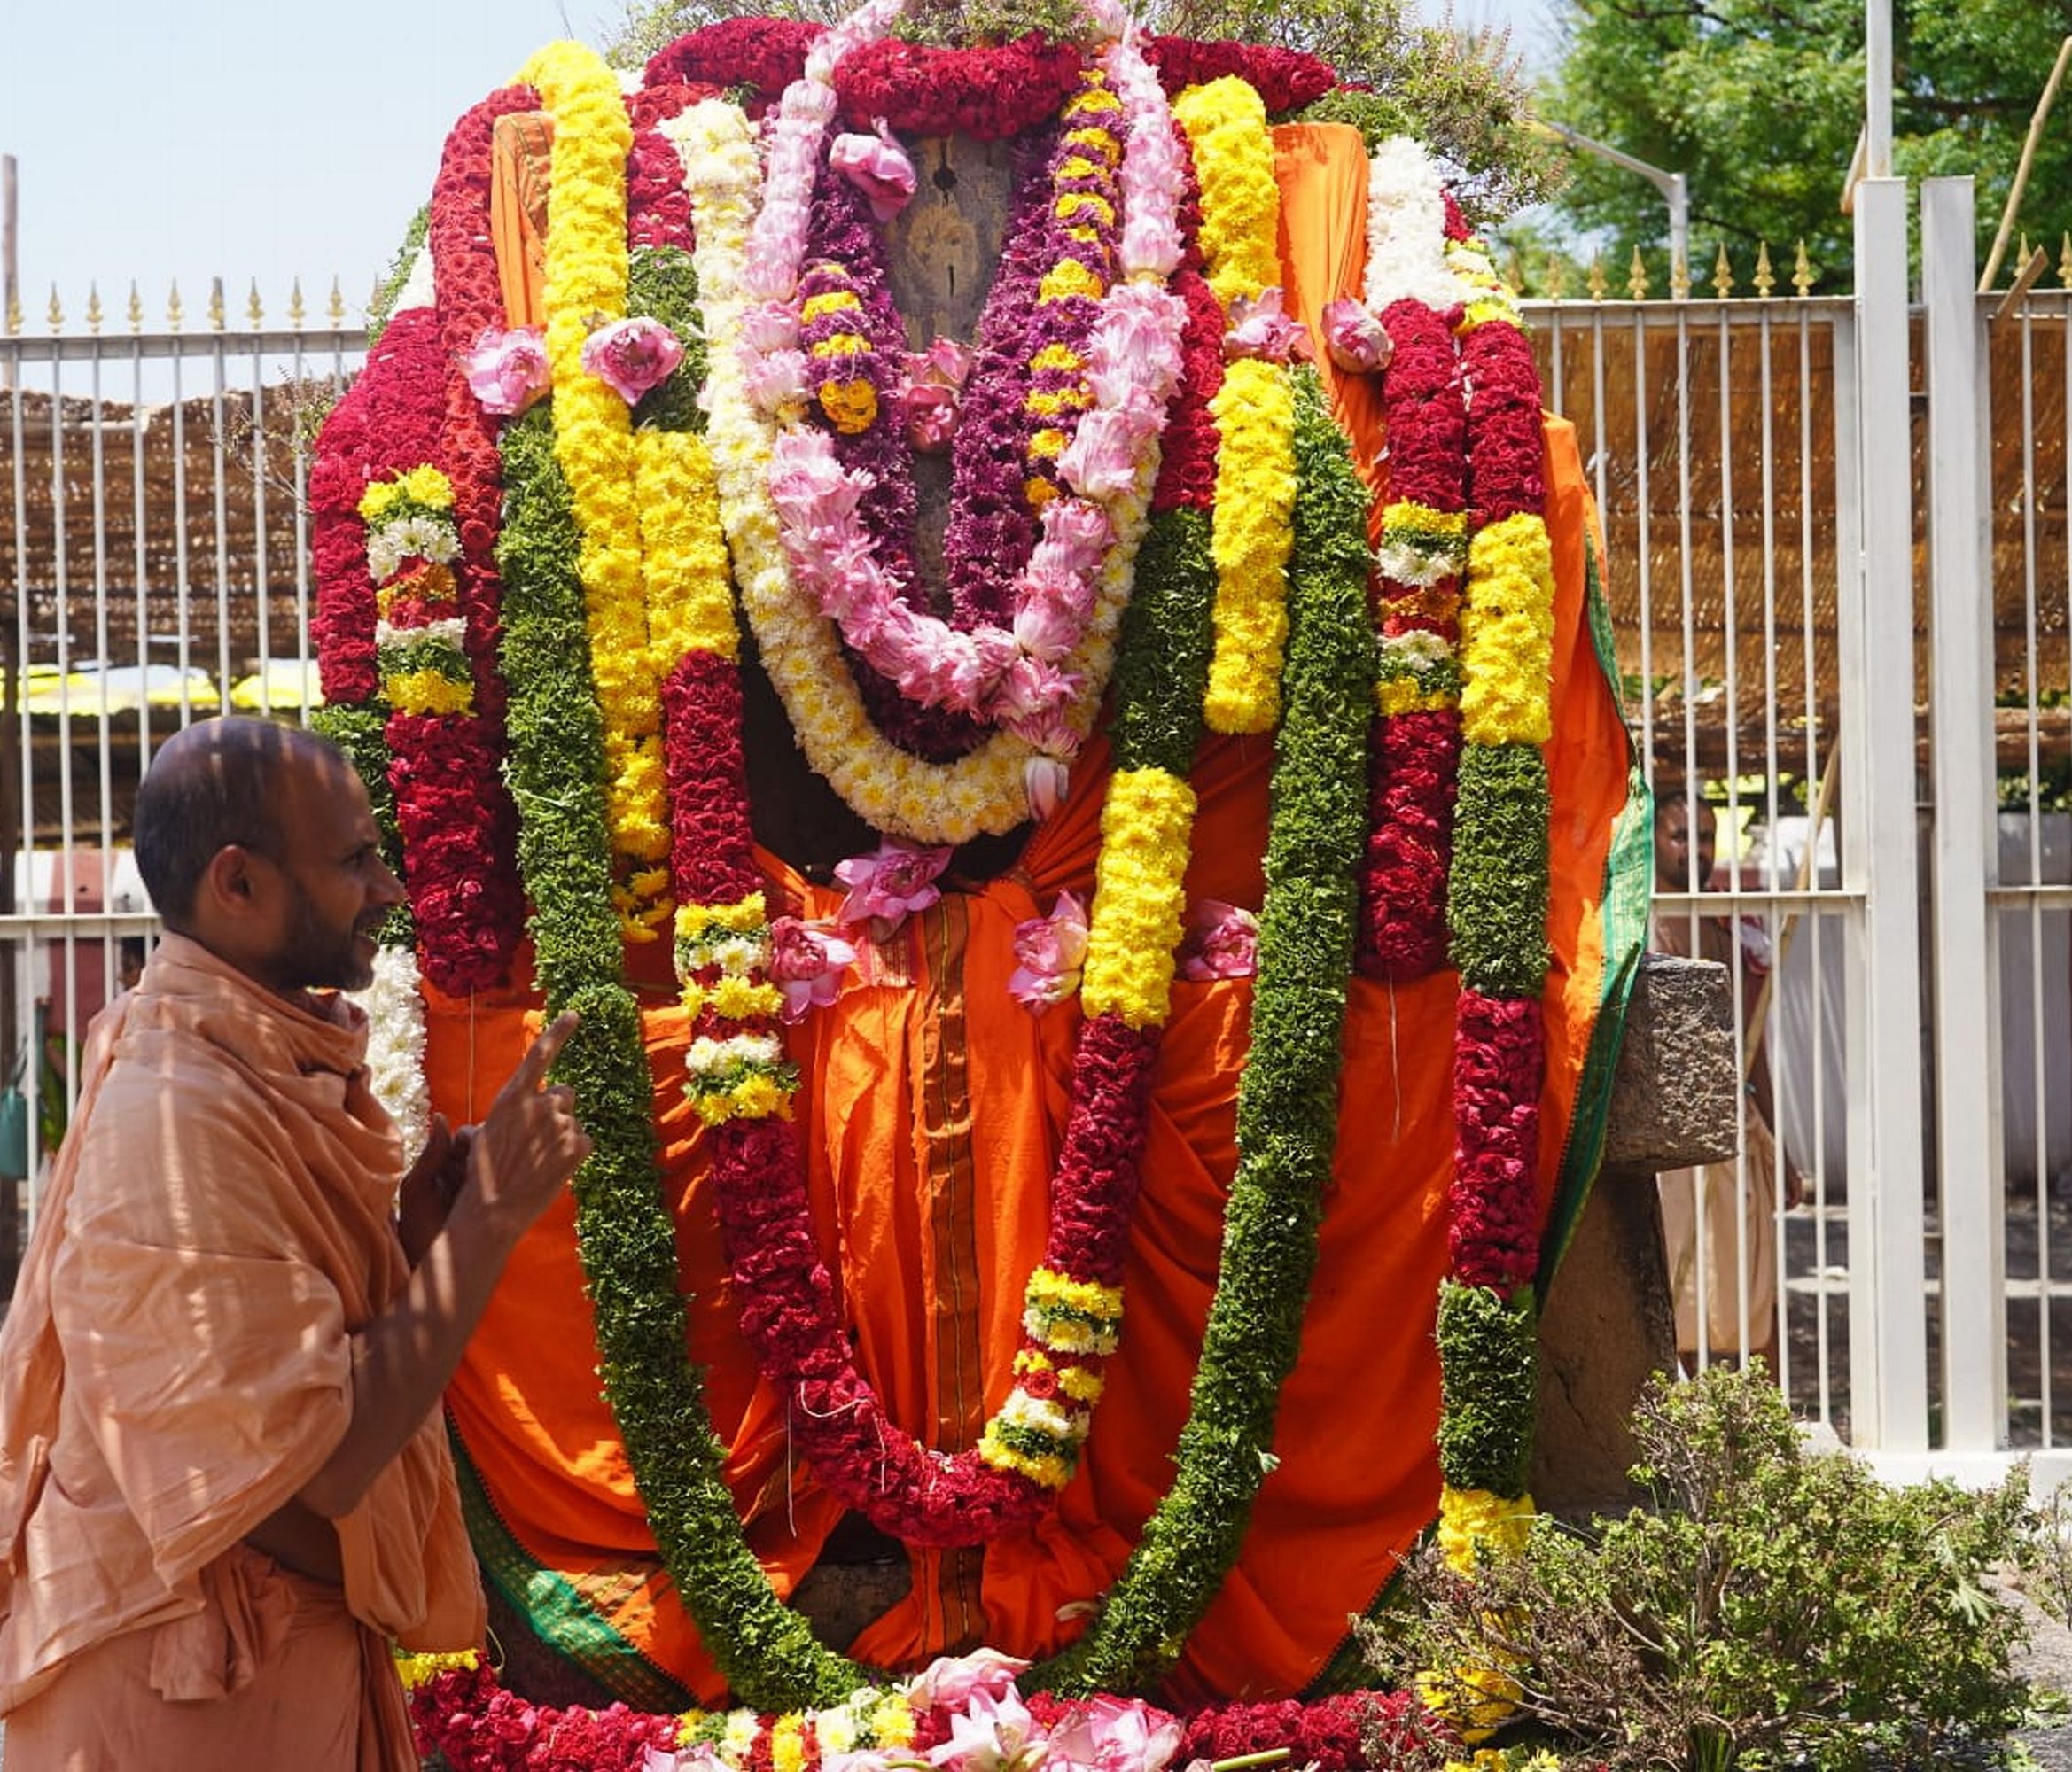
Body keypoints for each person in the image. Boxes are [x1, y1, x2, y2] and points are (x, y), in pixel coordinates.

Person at [0, 717, 591, 1768]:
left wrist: (417, 1239)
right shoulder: (176, 1111)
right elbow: (312, 1469)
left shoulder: (238, 1065)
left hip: (264, 1667)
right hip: (184, 1690)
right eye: (356, 859)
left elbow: (296, 1363)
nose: (389, 890)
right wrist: (490, 1222)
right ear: (239, 884)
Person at [1652, 783, 1800, 1372]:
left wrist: (1779, 1140)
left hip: (1733, 1123)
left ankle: (1754, 1416)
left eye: (1707, 836)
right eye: (1683, 834)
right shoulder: (1635, 919)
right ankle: (1681, 1417)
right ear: (1656, 840)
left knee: (1747, 1280)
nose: (1697, 847)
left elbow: (1750, 1038)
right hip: (1665, 1131)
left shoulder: (1727, 922)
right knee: (1676, 1286)